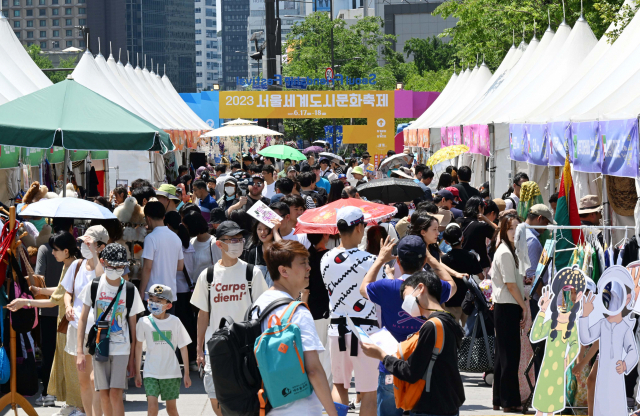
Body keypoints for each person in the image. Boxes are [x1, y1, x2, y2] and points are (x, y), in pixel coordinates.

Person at [359, 235, 455, 416]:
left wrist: (380, 259)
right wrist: (434, 261)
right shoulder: (432, 288)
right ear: (424, 260)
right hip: (425, 369)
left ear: (398, 261)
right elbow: (452, 285)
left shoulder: (386, 287)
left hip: (391, 364)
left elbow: (364, 288)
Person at [251, 240, 338, 416]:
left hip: (266, 406)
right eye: (303, 263)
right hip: (299, 408)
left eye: (308, 262)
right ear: (283, 271)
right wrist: (333, 413)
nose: (309, 268)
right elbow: (313, 369)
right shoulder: (297, 312)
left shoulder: (258, 305)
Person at [190, 221, 268, 416]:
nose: (238, 243)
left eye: (240, 239)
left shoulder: (253, 273)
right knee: (217, 401)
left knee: (246, 402)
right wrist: (199, 349)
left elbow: (263, 312)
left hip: (246, 350)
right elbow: (203, 314)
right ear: (219, 244)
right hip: (217, 350)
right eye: (232, 239)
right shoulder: (207, 276)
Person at [321, 206, 385, 416]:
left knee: (339, 386)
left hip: (336, 330)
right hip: (365, 332)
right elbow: (380, 295)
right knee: (368, 392)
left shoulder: (325, 259)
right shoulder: (371, 261)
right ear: (359, 227)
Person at [76, 243, 145, 416]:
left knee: (116, 393)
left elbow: (133, 327)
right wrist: (79, 352)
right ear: (103, 262)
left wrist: (133, 359)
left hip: (122, 348)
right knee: (104, 394)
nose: (116, 269)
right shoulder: (94, 286)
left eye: (120, 266)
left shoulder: (130, 290)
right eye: (112, 265)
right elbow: (82, 319)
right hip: (100, 346)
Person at [63, 226, 108, 416]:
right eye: (83, 242)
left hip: (99, 329)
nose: (83, 245)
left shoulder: (106, 266)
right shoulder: (77, 265)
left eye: (89, 243)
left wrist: (96, 256)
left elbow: (101, 280)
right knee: (83, 380)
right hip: (77, 327)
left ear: (100, 246)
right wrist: (67, 306)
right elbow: (67, 291)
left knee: (95, 379)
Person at [134, 284, 192, 416]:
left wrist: (187, 373)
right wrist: (138, 372)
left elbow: (183, 347)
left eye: (159, 301)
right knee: (152, 408)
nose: (154, 303)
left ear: (168, 305)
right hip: (150, 372)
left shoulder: (175, 321)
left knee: (171, 409)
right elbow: (138, 347)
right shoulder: (143, 322)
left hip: (171, 372)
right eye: (152, 299)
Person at [491, 214, 527, 413]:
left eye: (517, 228)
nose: (514, 232)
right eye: (511, 228)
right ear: (504, 230)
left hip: (506, 305)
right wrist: (523, 306)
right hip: (507, 306)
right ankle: (509, 401)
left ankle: (500, 399)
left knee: (503, 355)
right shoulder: (505, 252)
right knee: (509, 356)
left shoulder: (509, 250)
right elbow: (510, 285)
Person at [164, 211, 199, 372]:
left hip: (174, 290)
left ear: (168, 225)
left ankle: (176, 359)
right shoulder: (188, 243)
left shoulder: (172, 242)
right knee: (187, 326)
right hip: (186, 289)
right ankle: (191, 359)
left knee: (172, 326)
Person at [140, 202, 184, 305]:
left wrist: (141, 291)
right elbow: (180, 266)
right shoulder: (176, 237)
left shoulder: (150, 238)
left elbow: (147, 268)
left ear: (148, 218)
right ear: (164, 217)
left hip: (153, 294)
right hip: (170, 295)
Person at [441, 223, 483, 328]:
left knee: (452, 332)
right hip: (468, 300)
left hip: (450, 300)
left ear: (446, 242)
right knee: (468, 333)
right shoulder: (471, 256)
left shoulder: (444, 259)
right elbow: (481, 276)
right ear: (462, 238)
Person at [459, 196, 497, 274]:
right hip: (479, 266)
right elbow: (499, 235)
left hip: (459, 263)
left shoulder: (457, 221)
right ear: (480, 207)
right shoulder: (482, 226)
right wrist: (487, 220)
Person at [243, 220, 277, 287]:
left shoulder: (279, 252)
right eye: (259, 229)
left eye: (266, 228)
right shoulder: (253, 252)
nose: (262, 232)